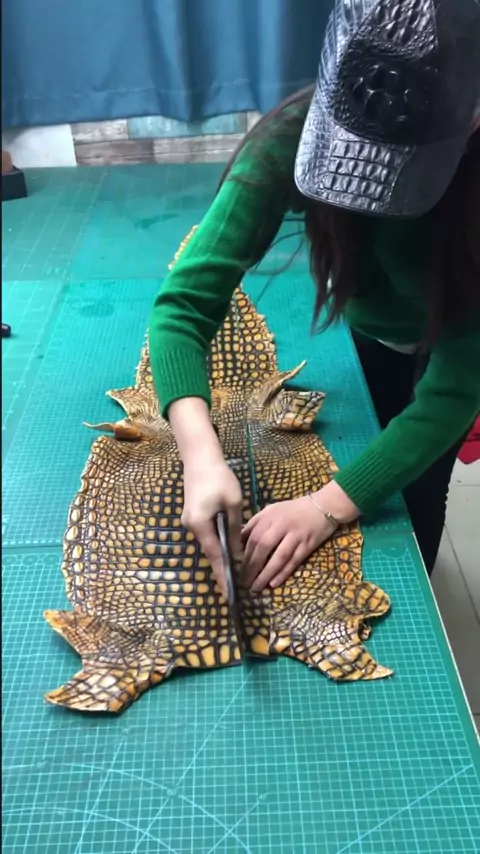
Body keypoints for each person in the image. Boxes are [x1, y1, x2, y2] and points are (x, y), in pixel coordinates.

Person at [148, 0, 480, 594]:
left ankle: (424, 579)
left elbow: (455, 390)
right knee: (378, 419)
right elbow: (185, 304)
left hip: (455, 335)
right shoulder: (295, 135)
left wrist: (326, 506)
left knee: (421, 489)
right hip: (376, 327)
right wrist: (199, 452)